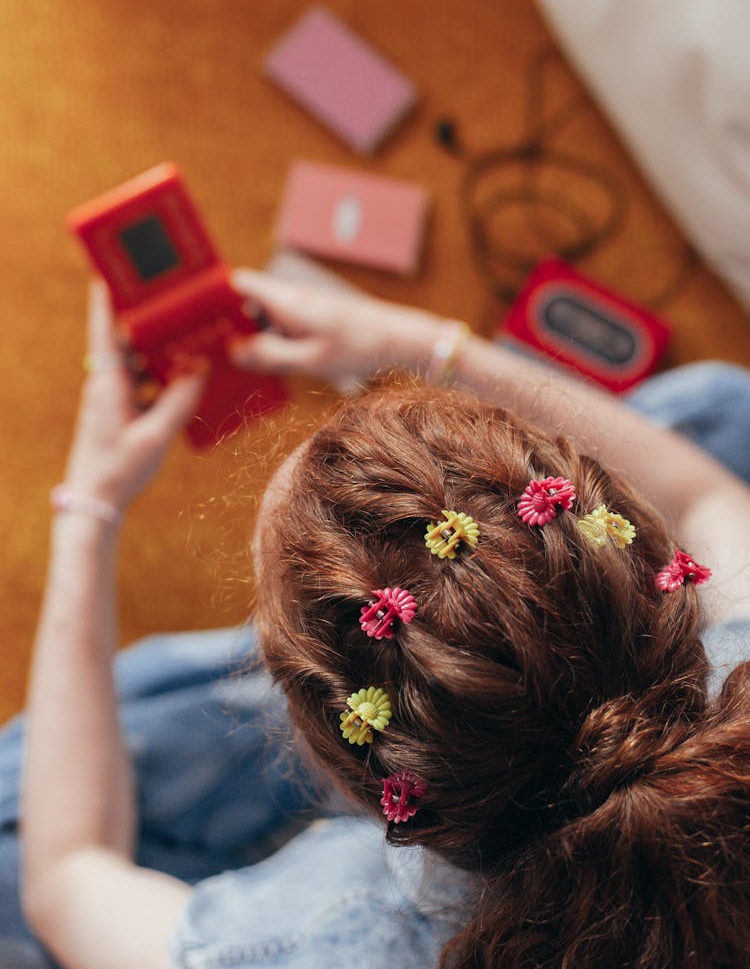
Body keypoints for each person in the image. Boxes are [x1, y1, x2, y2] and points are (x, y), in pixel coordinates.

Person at [1, 272, 749, 968]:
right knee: (722, 409)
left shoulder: (321, 931)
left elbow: (64, 878)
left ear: (329, 761)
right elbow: (706, 495)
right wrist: (423, 344)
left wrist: (90, 503)